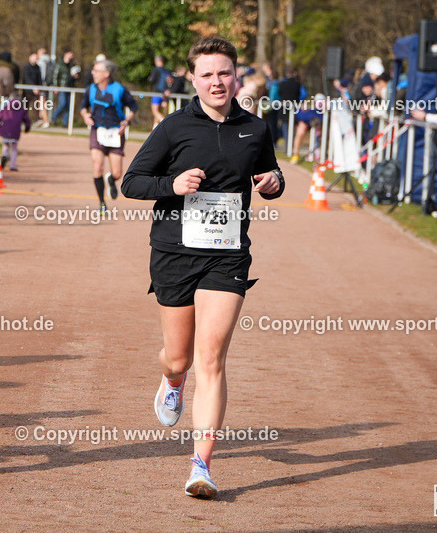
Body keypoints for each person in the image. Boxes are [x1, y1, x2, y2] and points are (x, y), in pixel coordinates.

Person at [121, 35, 284, 498]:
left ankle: (201, 466)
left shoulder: (254, 129)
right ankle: (172, 379)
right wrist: (172, 184)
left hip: (227, 255)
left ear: (237, 77)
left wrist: (273, 181)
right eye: (207, 74)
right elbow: (132, 182)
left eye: (225, 73)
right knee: (181, 356)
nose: (217, 81)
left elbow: (271, 175)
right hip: (174, 252)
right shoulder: (173, 128)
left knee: (211, 358)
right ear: (192, 78)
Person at [80, 59, 138, 211]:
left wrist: (126, 121)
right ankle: (102, 203)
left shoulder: (119, 89)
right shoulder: (91, 89)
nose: (93, 73)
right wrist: (85, 115)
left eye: (96, 70)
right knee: (97, 165)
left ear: (106, 74)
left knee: (118, 173)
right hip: (97, 130)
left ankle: (111, 180)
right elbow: (83, 107)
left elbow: (133, 106)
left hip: (115, 132)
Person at [0, 90, 31, 170]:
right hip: (15, 132)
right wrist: (27, 129)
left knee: (5, 146)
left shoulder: (5, 108)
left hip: (5, 131)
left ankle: (4, 156)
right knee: (14, 149)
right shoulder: (22, 109)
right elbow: (27, 121)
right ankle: (13, 165)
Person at [49, 49, 76, 126]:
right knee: (62, 103)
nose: (72, 55)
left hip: (70, 87)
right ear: (66, 54)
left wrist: (75, 77)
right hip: (62, 88)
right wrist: (55, 86)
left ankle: (65, 123)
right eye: (71, 53)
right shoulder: (59, 64)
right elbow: (55, 76)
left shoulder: (72, 64)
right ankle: (54, 117)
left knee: (68, 106)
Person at [149, 54, 172, 129]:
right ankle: (154, 129)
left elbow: (152, 80)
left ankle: (166, 125)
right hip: (165, 94)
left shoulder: (155, 69)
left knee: (155, 111)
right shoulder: (167, 70)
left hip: (157, 93)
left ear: (156, 61)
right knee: (159, 112)